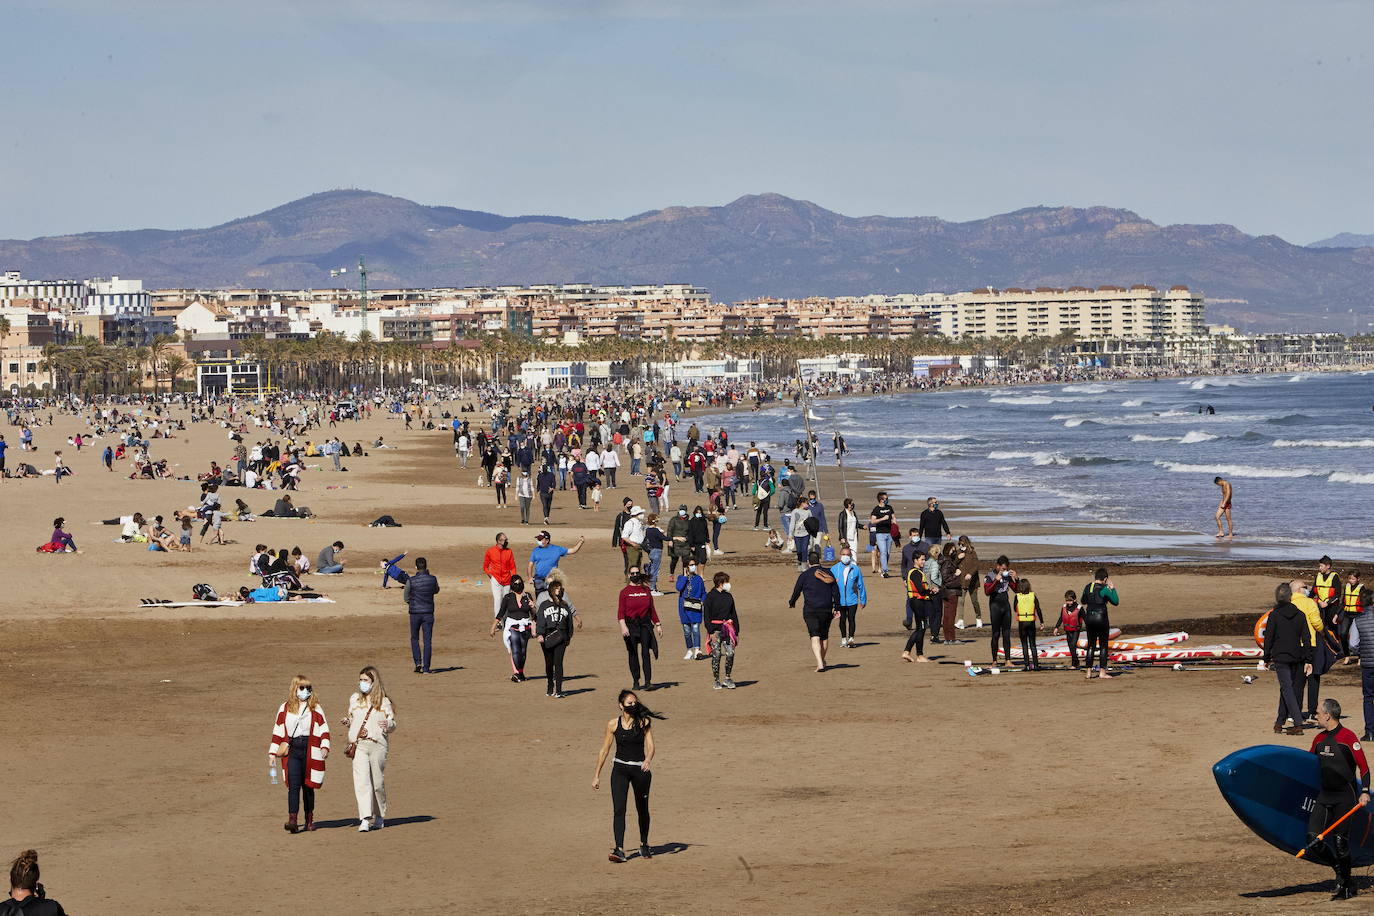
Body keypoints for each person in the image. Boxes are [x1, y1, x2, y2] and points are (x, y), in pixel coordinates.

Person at [1306, 698, 1370, 900]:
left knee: (1340, 842)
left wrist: (1365, 791)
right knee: (1313, 839)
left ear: (1328, 715)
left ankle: (1347, 886)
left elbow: (1364, 768)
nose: (1316, 716)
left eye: (1318, 712)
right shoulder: (1318, 739)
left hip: (1345, 797)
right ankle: (1339, 870)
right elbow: (1307, 765)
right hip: (1324, 796)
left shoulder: (1348, 737)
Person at [592, 690, 665, 863]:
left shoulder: (644, 722)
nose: (633, 705)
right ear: (621, 705)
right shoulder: (612, 724)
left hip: (640, 770)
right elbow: (604, 750)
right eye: (629, 703)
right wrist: (596, 775)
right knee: (619, 809)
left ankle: (644, 844)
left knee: (642, 808)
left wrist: (648, 759)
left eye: (634, 703)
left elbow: (651, 746)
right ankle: (619, 849)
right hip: (620, 770)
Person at [268, 674, 331, 834]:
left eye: (308, 688)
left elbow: (323, 728)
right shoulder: (284, 708)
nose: (305, 691)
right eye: (302, 687)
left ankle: (309, 820)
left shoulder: (315, 707)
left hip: (311, 749)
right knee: (293, 786)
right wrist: (272, 753)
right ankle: (293, 820)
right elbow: (277, 730)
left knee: (308, 786)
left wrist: (324, 746)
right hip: (293, 750)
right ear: (294, 688)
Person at [341, 666, 397, 832]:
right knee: (362, 782)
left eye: (365, 680)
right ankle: (365, 818)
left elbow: (393, 724)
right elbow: (353, 719)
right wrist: (348, 721)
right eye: (360, 680)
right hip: (359, 745)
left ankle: (379, 815)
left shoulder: (383, 702)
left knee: (377, 783)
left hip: (378, 745)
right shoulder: (354, 699)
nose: (362, 683)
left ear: (374, 682)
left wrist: (388, 724)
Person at [1260, 582, 1314, 735]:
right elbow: (1307, 638)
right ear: (1290, 597)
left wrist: (1266, 657)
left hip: (1281, 657)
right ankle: (1279, 722)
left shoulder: (1274, 615)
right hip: (1297, 656)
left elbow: (1268, 638)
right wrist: (1308, 659)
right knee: (1286, 688)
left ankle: (1297, 723)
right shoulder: (1300, 615)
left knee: (1287, 688)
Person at [789, 549, 840, 672]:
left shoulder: (804, 575)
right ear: (819, 560)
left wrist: (792, 602)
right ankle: (822, 660)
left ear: (808, 562)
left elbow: (797, 590)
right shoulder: (828, 573)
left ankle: (820, 663)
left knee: (814, 635)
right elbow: (836, 591)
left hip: (810, 609)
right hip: (826, 609)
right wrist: (837, 607)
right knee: (824, 636)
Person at [535, 574, 581, 697]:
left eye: (560, 589)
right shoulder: (544, 605)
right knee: (549, 663)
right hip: (547, 636)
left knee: (558, 663)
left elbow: (569, 622)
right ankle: (550, 685)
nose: (558, 591)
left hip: (561, 637)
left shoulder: (564, 605)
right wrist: (540, 634)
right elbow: (540, 620)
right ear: (551, 590)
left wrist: (569, 636)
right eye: (556, 589)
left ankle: (559, 691)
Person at [618, 567, 662, 689]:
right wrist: (623, 626)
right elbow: (620, 612)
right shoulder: (624, 592)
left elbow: (652, 609)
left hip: (644, 624)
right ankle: (636, 681)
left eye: (637, 573)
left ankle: (648, 682)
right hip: (630, 625)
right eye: (633, 573)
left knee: (645, 652)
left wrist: (658, 624)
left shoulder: (646, 590)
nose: (635, 575)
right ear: (629, 575)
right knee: (632, 653)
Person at [491, 574, 536, 682]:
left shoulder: (527, 596)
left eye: (519, 583)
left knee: (523, 651)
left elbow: (534, 615)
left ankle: (520, 673)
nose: (518, 585)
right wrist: (493, 626)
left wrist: (533, 606)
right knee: (515, 650)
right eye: (515, 583)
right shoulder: (508, 597)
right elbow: (501, 613)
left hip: (525, 626)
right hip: (512, 627)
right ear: (511, 585)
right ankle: (517, 673)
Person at [1080, 567, 1118, 679]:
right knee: (1103, 646)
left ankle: (1088, 672)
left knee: (1091, 645)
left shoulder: (1088, 587)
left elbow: (1083, 601)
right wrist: (1112, 589)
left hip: (1089, 618)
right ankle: (1102, 672)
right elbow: (1116, 601)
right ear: (1105, 579)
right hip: (1101, 618)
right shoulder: (1105, 588)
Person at [704, 571, 740, 689]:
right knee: (717, 654)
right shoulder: (710, 597)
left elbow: (733, 614)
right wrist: (710, 632)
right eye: (726, 582)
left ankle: (728, 678)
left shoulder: (728, 596)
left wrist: (736, 631)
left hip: (728, 630)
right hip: (715, 631)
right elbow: (706, 616)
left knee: (730, 653)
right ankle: (716, 680)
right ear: (720, 583)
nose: (728, 584)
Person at [404, 557, 440, 674]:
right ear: (426, 566)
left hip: (415, 613)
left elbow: (406, 597)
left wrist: (413, 603)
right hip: (428, 612)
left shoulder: (411, 580)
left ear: (416, 567)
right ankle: (426, 668)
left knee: (414, 638)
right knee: (427, 641)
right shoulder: (432, 579)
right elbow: (436, 590)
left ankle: (418, 663)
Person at [902, 546, 937, 663]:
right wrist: (930, 591)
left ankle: (909, 652)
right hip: (917, 602)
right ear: (915, 560)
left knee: (920, 628)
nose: (924, 561)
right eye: (921, 559)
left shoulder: (917, 572)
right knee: (921, 628)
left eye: (924, 559)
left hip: (919, 602)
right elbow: (920, 590)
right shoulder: (915, 573)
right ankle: (918, 654)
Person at [3, 849, 66, 915]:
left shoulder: (2, 909)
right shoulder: (52, 908)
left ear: (10, 879)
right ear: (36, 883)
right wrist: (41, 902)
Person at [830, 545, 867, 649]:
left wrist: (863, 600)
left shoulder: (855, 569)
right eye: (843, 554)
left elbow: (861, 585)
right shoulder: (834, 569)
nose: (845, 556)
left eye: (847, 555)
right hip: (839, 601)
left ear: (850, 556)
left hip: (852, 600)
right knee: (842, 620)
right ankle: (843, 639)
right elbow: (829, 586)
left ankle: (851, 639)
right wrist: (830, 600)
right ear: (840, 555)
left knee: (851, 619)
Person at [983, 556, 1017, 667]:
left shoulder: (1007, 576)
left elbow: (1017, 590)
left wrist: (1016, 578)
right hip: (995, 606)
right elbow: (987, 592)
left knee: (1006, 634)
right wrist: (996, 580)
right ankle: (994, 660)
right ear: (997, 566)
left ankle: (1008, 660)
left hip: (1005, 606)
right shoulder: (989, 576)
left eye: (1005, 569)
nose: (1004, 571)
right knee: (996, 634)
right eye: (1002, 569)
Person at [529, 530, 584, 594]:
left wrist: (581, 542)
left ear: (547, 540)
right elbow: (530, 564)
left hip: (552, 579)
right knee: (539, 598)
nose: (538, 541)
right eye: (538, 539)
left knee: (552, 597)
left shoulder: (557, 549)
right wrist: (530, 577)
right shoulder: (536, 550)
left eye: (540, 539)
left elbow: (572, 550)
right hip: (538, 579)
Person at [675, 561, 707, 660]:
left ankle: (697, 649)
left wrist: (702, 601)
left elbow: (704, 592)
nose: (694, 566)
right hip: (684, 608)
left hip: (696, 607)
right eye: (691, 565)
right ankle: (689, 650)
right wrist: (685, 576)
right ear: (686, 567)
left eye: (694, 565)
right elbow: (679, 587)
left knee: (696, 628)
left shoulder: (699, 579)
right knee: (687, 630)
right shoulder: (681, 578)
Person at [482, 532, 516, 618]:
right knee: (497, 600)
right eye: (505, 540)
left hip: (507, 580)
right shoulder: (490, 551)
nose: (506, 541)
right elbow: (485, 566)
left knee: (506, 600)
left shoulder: (509, 551)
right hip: (496, 580)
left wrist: (513, 579)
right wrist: (491, 576)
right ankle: (498, 621)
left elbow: (512, 567)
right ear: (498, 541)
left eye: (506, 539)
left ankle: (506, 619)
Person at [1014, 579, 1044, 671]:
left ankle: (1026, 665)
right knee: (1032, 644)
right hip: (1031, 622)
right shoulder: (1033, 596)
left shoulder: (1017, 596)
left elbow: (1015, 609)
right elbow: (1038, 609)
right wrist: (1042, 622)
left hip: (1022, 622)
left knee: (1024, 645)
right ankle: (1036, 665)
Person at [1339, 570, 1371, 656]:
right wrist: (1336, 614)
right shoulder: (1346, 587)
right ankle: (1346, 655)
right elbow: (1343, 602)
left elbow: (1365, 602)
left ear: (1358, 579)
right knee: (1343, 634)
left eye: (1353, 579)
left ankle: (1360, 655)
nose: (1351, 581)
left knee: (1359, 636)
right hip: (1347, 614)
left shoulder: (1361, 588)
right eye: (1349, 578)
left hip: (1357, 615)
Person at [868, 492, 896, 577]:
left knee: (887, 553)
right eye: (886, 498)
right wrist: (882, 519)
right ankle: (884, 571)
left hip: (889, 533)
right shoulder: (876, 509)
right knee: (883, 552)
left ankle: (884, 567)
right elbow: (872, 521)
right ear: (881, 500)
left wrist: (894, 523)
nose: (887, 499)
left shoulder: (889, 507)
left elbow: (893, 517)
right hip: (880, 534)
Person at [1055, 589, 1083, 669]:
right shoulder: (1064, 607)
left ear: (1075, 600)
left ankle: (1074, 664)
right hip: (1068, 630)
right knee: (1071, 647)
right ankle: (1076, 662)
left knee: (1073, 645)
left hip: (1076, 630)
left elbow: (1085, 618)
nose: (1068, 602)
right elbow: (1061, 618)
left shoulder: (1079, 608)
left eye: (1070, 601)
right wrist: (1056, 627)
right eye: (1067, 601)